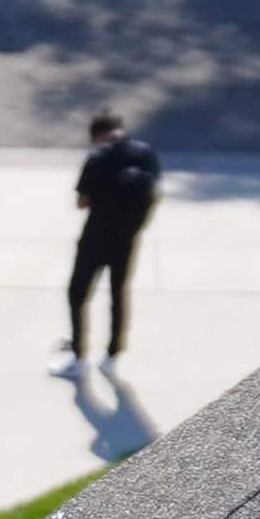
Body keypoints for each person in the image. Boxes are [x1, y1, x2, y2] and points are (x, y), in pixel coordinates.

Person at [67, 109, 163, 367]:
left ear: (97, 135)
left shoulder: (98, 158)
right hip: (128, 238)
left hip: (95, 237)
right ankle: (113, 353)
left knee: (78, 293)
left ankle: (78, 354)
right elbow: (154, 188)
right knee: (118, 292)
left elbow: (81, 201)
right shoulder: (145, 154)